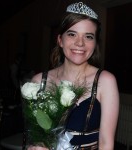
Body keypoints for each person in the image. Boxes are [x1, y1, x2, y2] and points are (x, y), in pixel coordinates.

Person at [27, 1, 119, 150]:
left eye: (88, 36)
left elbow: (106, 143)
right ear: (60, 40)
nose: (80, 43)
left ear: (95, 44)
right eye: (72, 34)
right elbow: (33, 136)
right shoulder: (39, 82)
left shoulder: (105, 81)